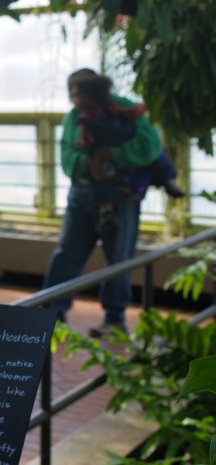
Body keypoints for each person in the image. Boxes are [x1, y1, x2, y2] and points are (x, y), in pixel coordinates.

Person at [42, 68, 164, 337]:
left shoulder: (126, 110)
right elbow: (66, 157)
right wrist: (88, 163)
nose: (73, 98)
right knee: (67, 254)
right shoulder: (74, 117)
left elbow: (150, 146)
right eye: (70, 92)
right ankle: (50, 317)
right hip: (82, 195)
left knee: (119, 258)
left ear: (93, 92)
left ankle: (114, 320)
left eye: (77, 92)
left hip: (119, 195)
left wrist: (114, 155)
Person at [72, 72, 184, 236]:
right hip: (108, 164)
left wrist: (118, 152)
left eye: (77, 96)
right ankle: (106, 212)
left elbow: (148, 140)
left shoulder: (117, 107)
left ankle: (168, 180)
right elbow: (83, 140)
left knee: (157, 157)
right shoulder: (83, 118)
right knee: (99, 178)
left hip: (128, 146)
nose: (73, 100)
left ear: (92, 95)